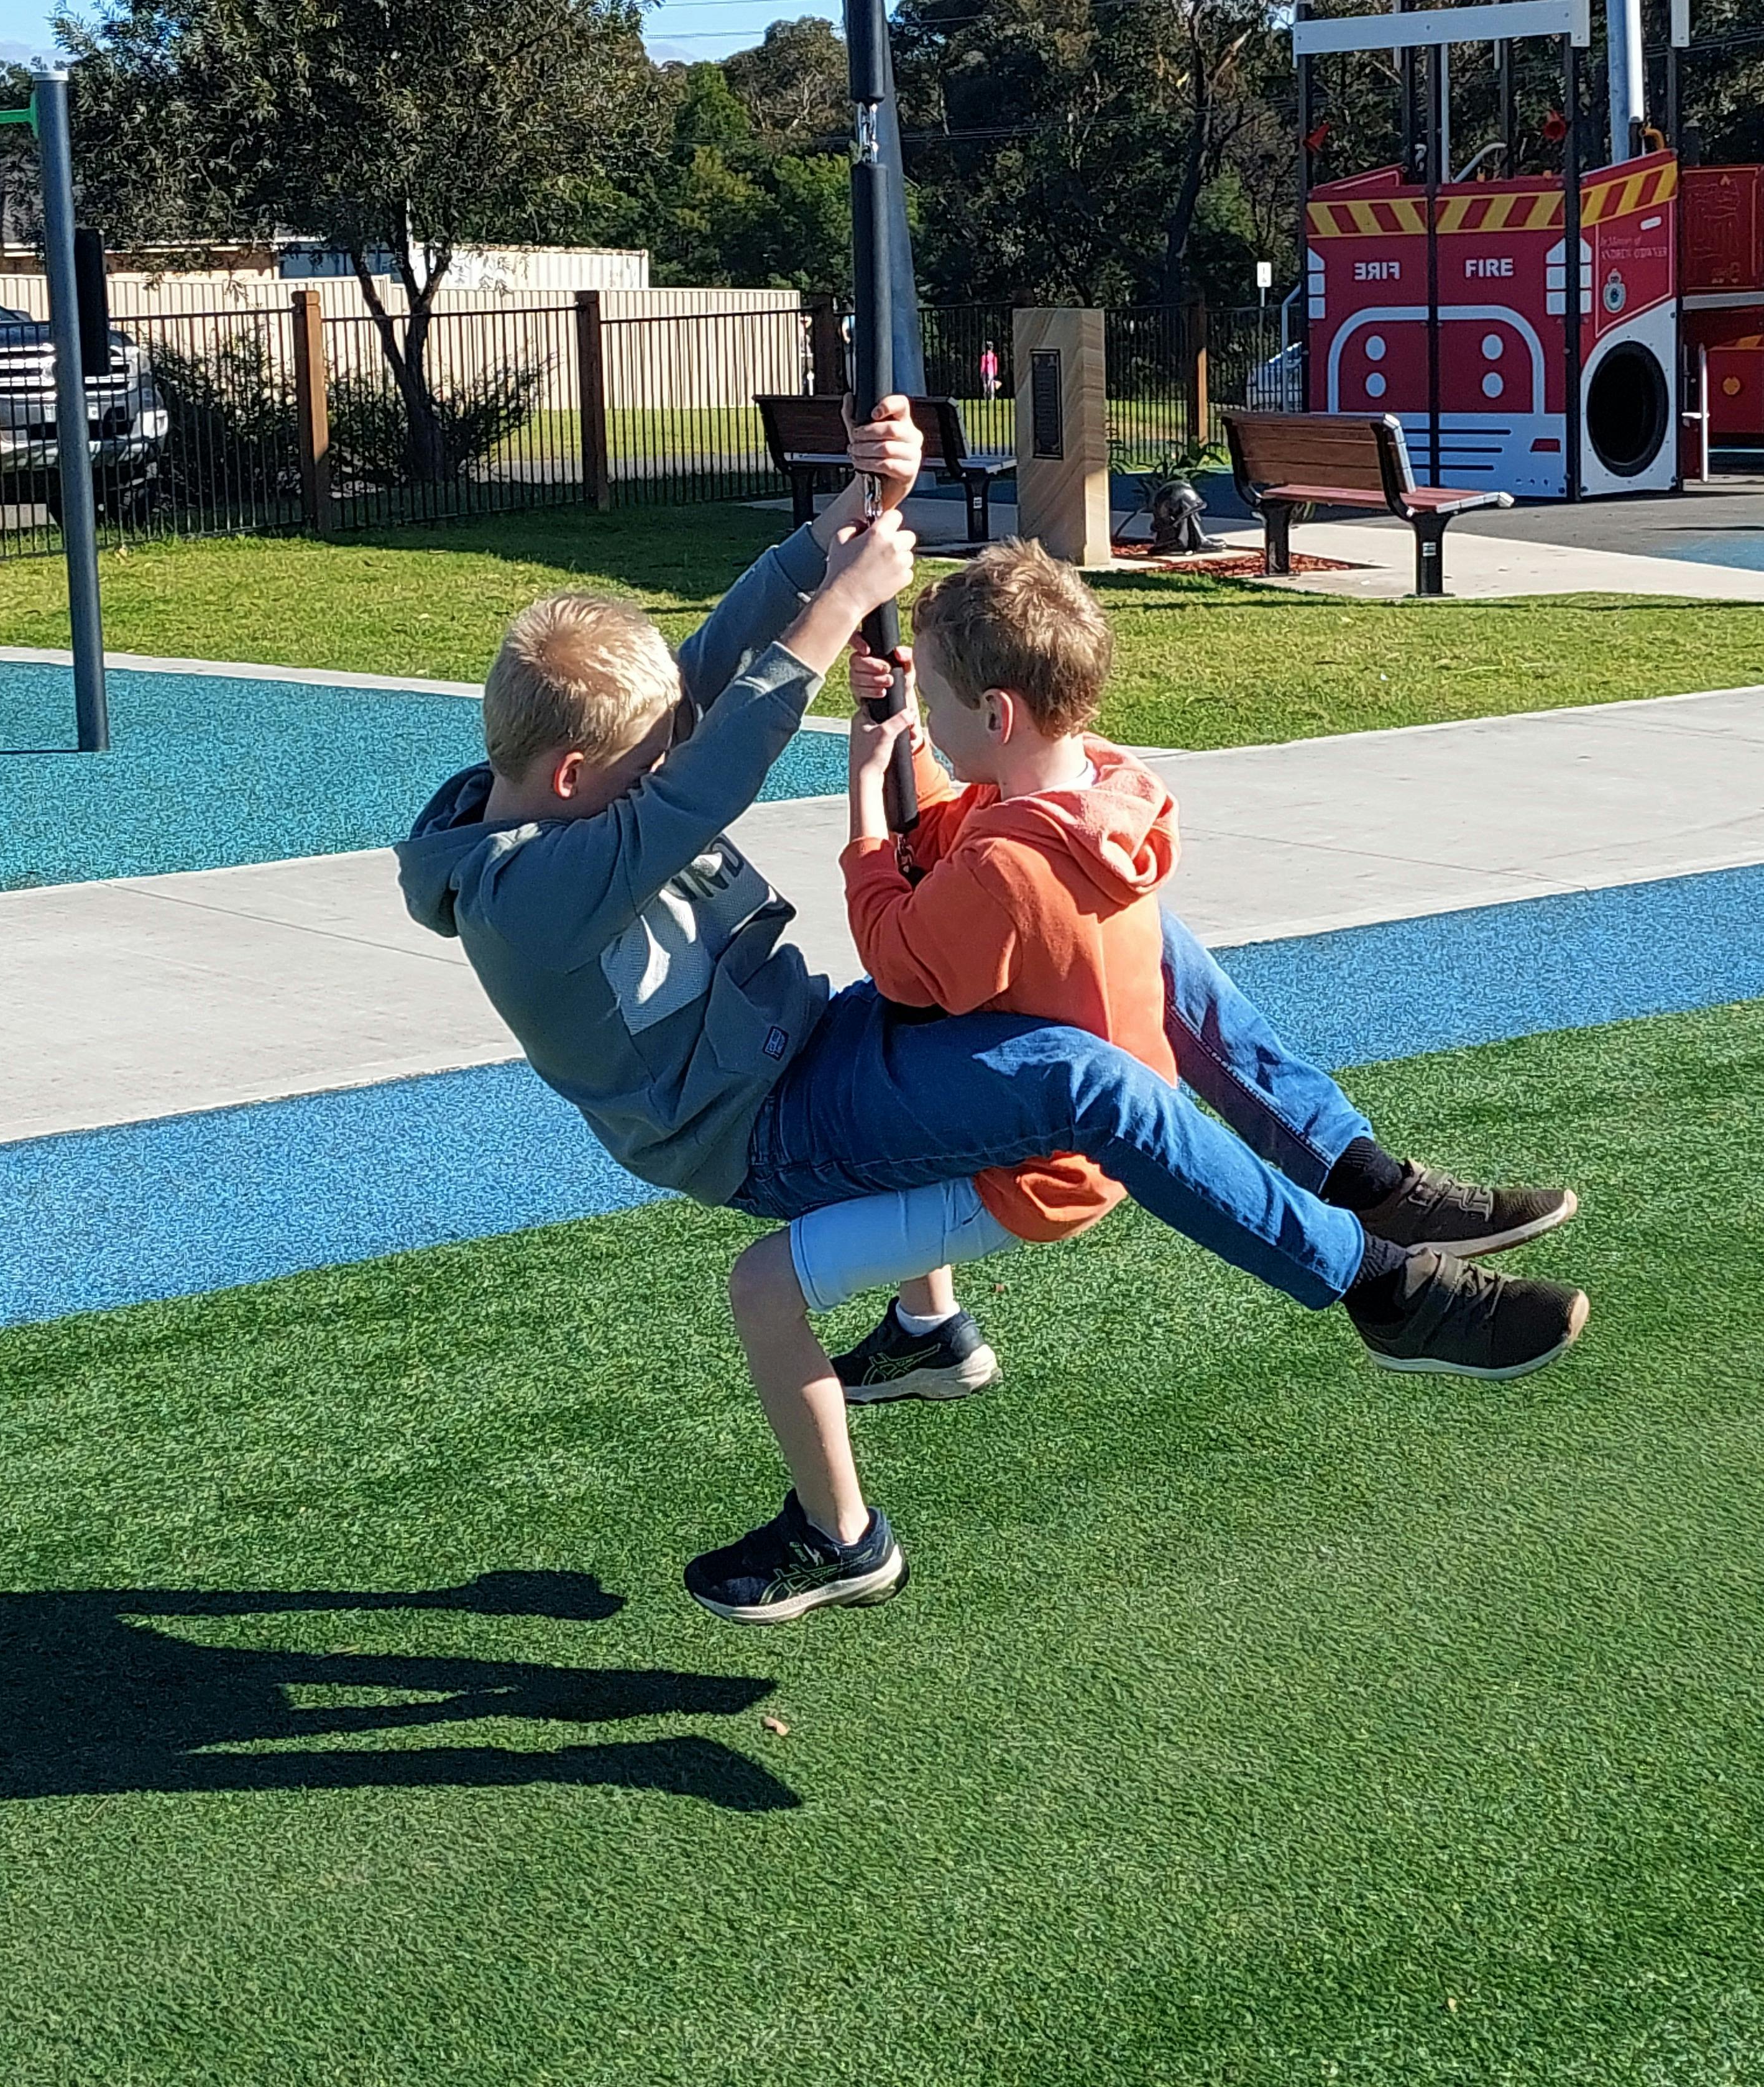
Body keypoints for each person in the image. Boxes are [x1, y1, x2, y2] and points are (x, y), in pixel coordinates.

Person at [394, 399, 1585, 1630]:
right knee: (1081, 1079)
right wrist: (836, 606)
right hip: (758, 1129)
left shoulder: (563, 781)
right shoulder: (523, 900)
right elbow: (706, 773)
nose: (665, 754)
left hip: (811, 1044)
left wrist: (847, 515)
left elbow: (703, 676)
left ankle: (1354, 1174)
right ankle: (1377, 1285)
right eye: (644, 762)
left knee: (1131, 930)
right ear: (576, 777)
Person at [705, 538, 1583, 1618]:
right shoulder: (1099, 794)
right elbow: (962, 827)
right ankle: (1347, 1179)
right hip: (1076, 1109)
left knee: (786, 1231)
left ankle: (838, 1530)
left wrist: (861, 809)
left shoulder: (1008, 868)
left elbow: (901, 955)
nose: (921, 716)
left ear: (999, 714)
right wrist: (912, 743)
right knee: (1155, 947)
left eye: (934, 700)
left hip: (1021, 1171)